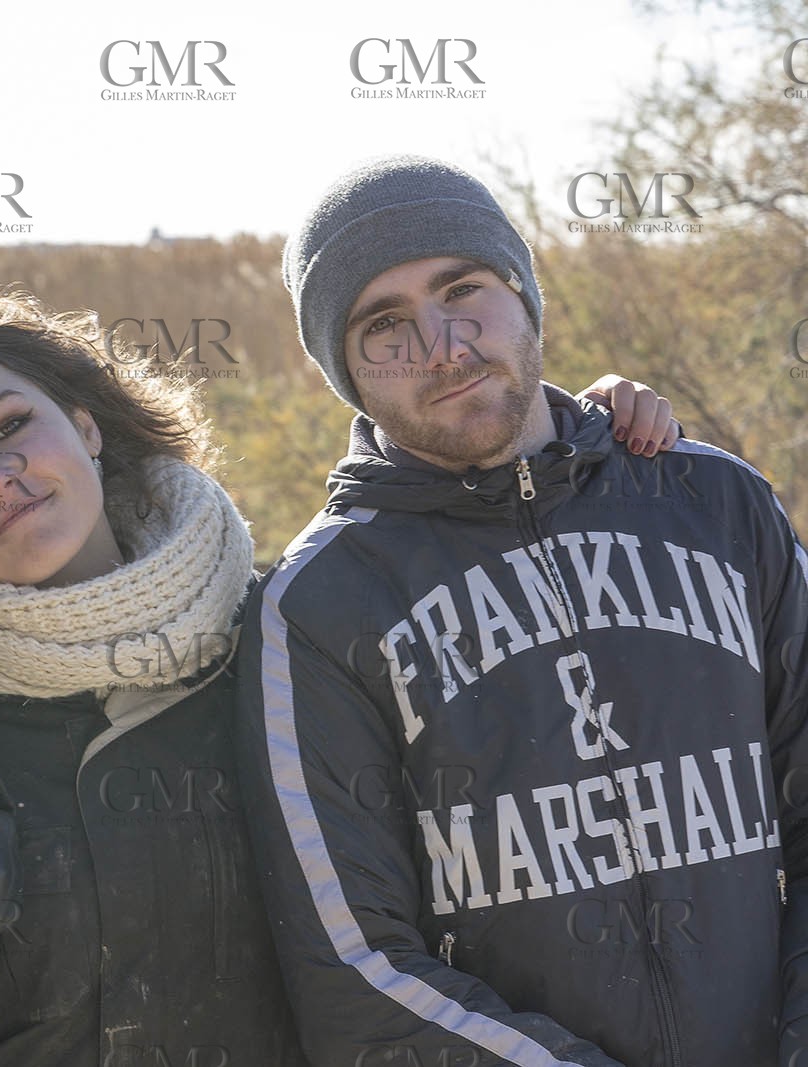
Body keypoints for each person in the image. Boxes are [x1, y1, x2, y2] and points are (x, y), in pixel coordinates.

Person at [0, 286, 681, 1066]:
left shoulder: (299, 634)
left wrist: (574, 443)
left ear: (83, 422)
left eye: (8, 428)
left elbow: (507, 672)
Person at [238, 154, 808, 1065]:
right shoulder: (321, 604)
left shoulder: (717, 505)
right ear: (345, 371)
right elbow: (354, 966)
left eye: (462, 289)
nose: (442, 346)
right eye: (383, 325)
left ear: (522, 290)